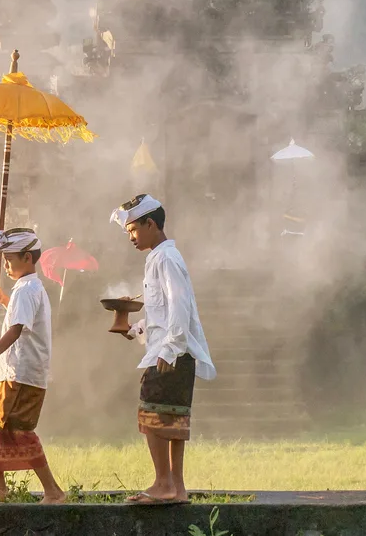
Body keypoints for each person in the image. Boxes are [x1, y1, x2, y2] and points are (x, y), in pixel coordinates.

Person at [110, 194, 215, 506]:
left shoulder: (166, 258)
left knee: (153, 413)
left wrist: (170, 349)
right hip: (171, 349)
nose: (130, 237)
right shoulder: (157, 258)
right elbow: (162, 311)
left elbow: (181, 306)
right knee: (171, 418)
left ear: (150, 223)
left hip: (173, 353)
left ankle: (163, 483)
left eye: (133, 230)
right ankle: (176, 488)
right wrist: (136, 330)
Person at [0, 228, 65, 504]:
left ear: (28, 258)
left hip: (20, 375)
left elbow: (17, 329)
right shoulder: (28, 289)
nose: (6, 265)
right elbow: (22, 318)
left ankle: (53, 491)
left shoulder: (28, 289)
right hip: (17, 373)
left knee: (15, 431)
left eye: (10, 259)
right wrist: (4, 299)